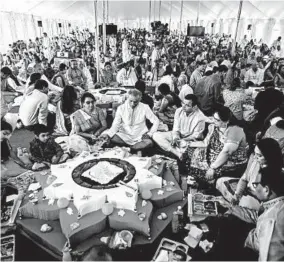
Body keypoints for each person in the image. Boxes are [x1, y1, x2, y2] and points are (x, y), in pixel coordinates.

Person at [225, 166, 284, 261]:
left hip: (254, 249)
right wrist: (230, 207)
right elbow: (257, 216)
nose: (251, 188)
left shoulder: (272, 221)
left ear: (266, 190)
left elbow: (268, 258)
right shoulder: (276, 204)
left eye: (255, 185)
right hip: (255, 237)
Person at [184, 106, 248, 187]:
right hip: (216, 153)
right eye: (213, 118)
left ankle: (207, 185)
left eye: (217, 120)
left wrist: (212, 167)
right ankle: (196, 182)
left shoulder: (235, 130)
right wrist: (187, 143)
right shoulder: (214, 126)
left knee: (208, 171)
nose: (213, 121)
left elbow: (227, 152)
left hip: (231, 160)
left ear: (227, 121)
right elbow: (205, 143)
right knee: (191, 151)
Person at [217, 138, 283, 210]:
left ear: (269, 157)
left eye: (259, 155)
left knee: (245, 202)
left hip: (259, 198)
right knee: (220, 182)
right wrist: (237, 194)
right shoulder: (254, 159)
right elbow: (244, 178)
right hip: (247, 189)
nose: (255, 157)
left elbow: (267, 197)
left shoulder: (275, 172)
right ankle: (236, 205)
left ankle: (238, 208)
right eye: (254, 153)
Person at [100, 89, 159, 154]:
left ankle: (129, 149)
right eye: (130, 101)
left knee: (149, 142)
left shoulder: (145, 107)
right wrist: (109, 135)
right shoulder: (121, 108)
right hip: (124, 135)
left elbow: (156, 121)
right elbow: (115, 125)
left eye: (135, 102)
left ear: (139, 100)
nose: (132, 104)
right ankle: (136, 148)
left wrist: (149, 134)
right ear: (128, 98)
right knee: (106, 135)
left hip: (140, 136)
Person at [153, 94, 207, 159]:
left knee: (188, 148)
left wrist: (182, 140)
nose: (183, 107)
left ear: (194, 107)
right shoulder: (179, 111)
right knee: (156, 135)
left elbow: (195, 136)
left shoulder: (200, 117)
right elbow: (176, 128)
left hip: (189, 140)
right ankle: (177, 153)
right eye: (183, 103)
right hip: (178, 136)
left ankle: (173, 149)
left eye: (187, 105)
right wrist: (176, 138)